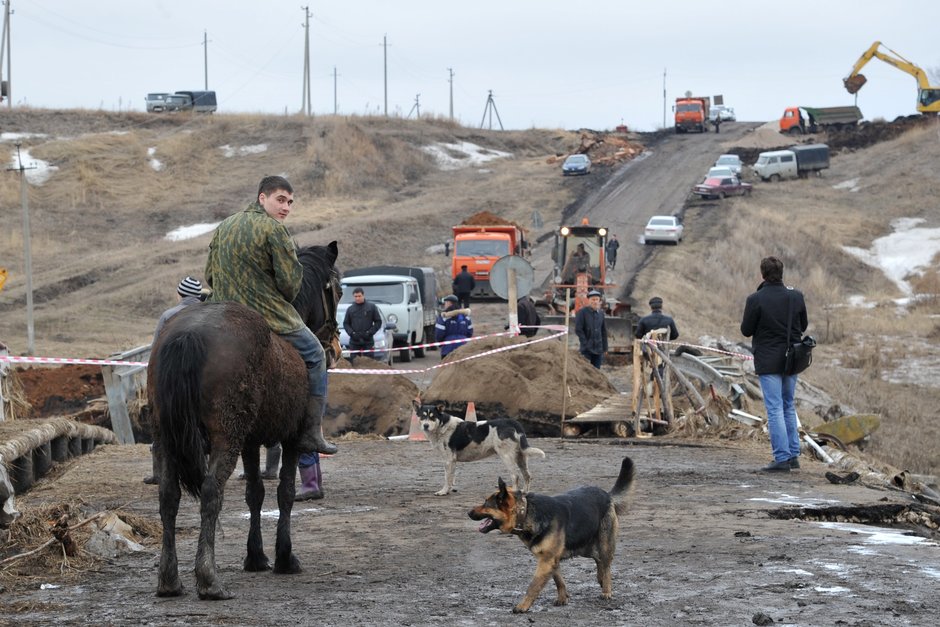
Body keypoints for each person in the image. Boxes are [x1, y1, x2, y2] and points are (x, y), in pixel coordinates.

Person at [205, 175, 337, 455]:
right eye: (280, 199)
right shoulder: (275, 231)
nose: (286, 207)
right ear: (261, 198)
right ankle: (311, 433)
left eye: (290, 202)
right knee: (314, 353)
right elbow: (291, 285)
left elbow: (209, 276)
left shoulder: (224, 226)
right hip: (265, 313)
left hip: (221, 312)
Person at [740, 256, 808, 473]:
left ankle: (781, 458)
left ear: (762, 274)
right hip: (792, 359)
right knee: (788, 405)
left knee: (775, 408)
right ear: (782, 273)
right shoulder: (796, 296)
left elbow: (746, 330)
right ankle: (793, 456)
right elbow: (803, 325)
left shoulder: (756, 299)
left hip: (768, 360)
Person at [144, 276, 207, 485]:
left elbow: (156, 350)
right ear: (199, 295)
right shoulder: (209, 314)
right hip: (202, 375)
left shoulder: (168, 316)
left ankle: (160, 472)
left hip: (170, 377)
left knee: (161, 418)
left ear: (179, 294)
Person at [343, 287, 383, 363]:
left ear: (363, 295)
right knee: (354, 362)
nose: (357, 298)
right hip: (354, 341)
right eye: (355, 296)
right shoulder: (350, 309)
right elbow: (346, 323)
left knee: (369, 363)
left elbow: (378, 322)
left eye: (359, 296)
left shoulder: (371, 307)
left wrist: (370, 332)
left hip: (368, 340)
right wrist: (352, 333)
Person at [574, 289, 608, 369]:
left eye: (597, 299)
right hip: (587, 350)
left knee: (597, 371)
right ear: (588, 301)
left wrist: (605, 347)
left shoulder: (601, 314)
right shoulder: (582, 312)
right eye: (593, 299)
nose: (595, 301)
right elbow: (578, 329)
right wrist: (585, 343)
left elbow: (603, 331)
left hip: (598, 349)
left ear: (599, 301)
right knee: (586, 371)